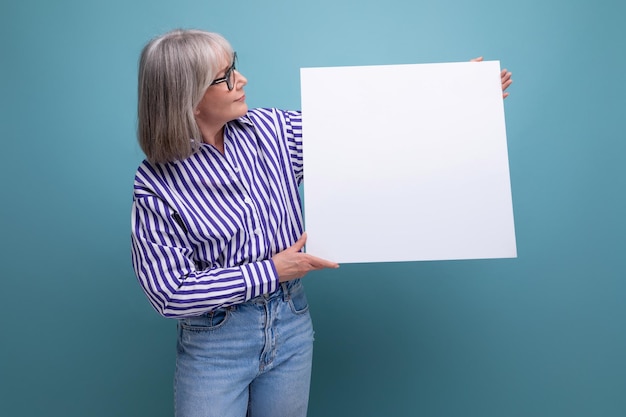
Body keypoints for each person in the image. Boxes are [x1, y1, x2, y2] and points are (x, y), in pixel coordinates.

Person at [131, 29, 512, 417]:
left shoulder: (271, 131)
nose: (241, 80)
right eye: (225, 76)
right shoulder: (155, 183)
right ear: (189, 98)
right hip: (216, 341)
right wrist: (272, 270)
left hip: (291, 324)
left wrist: (455, 96)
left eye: (235, 67)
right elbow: (170, 293)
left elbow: (358, 130)